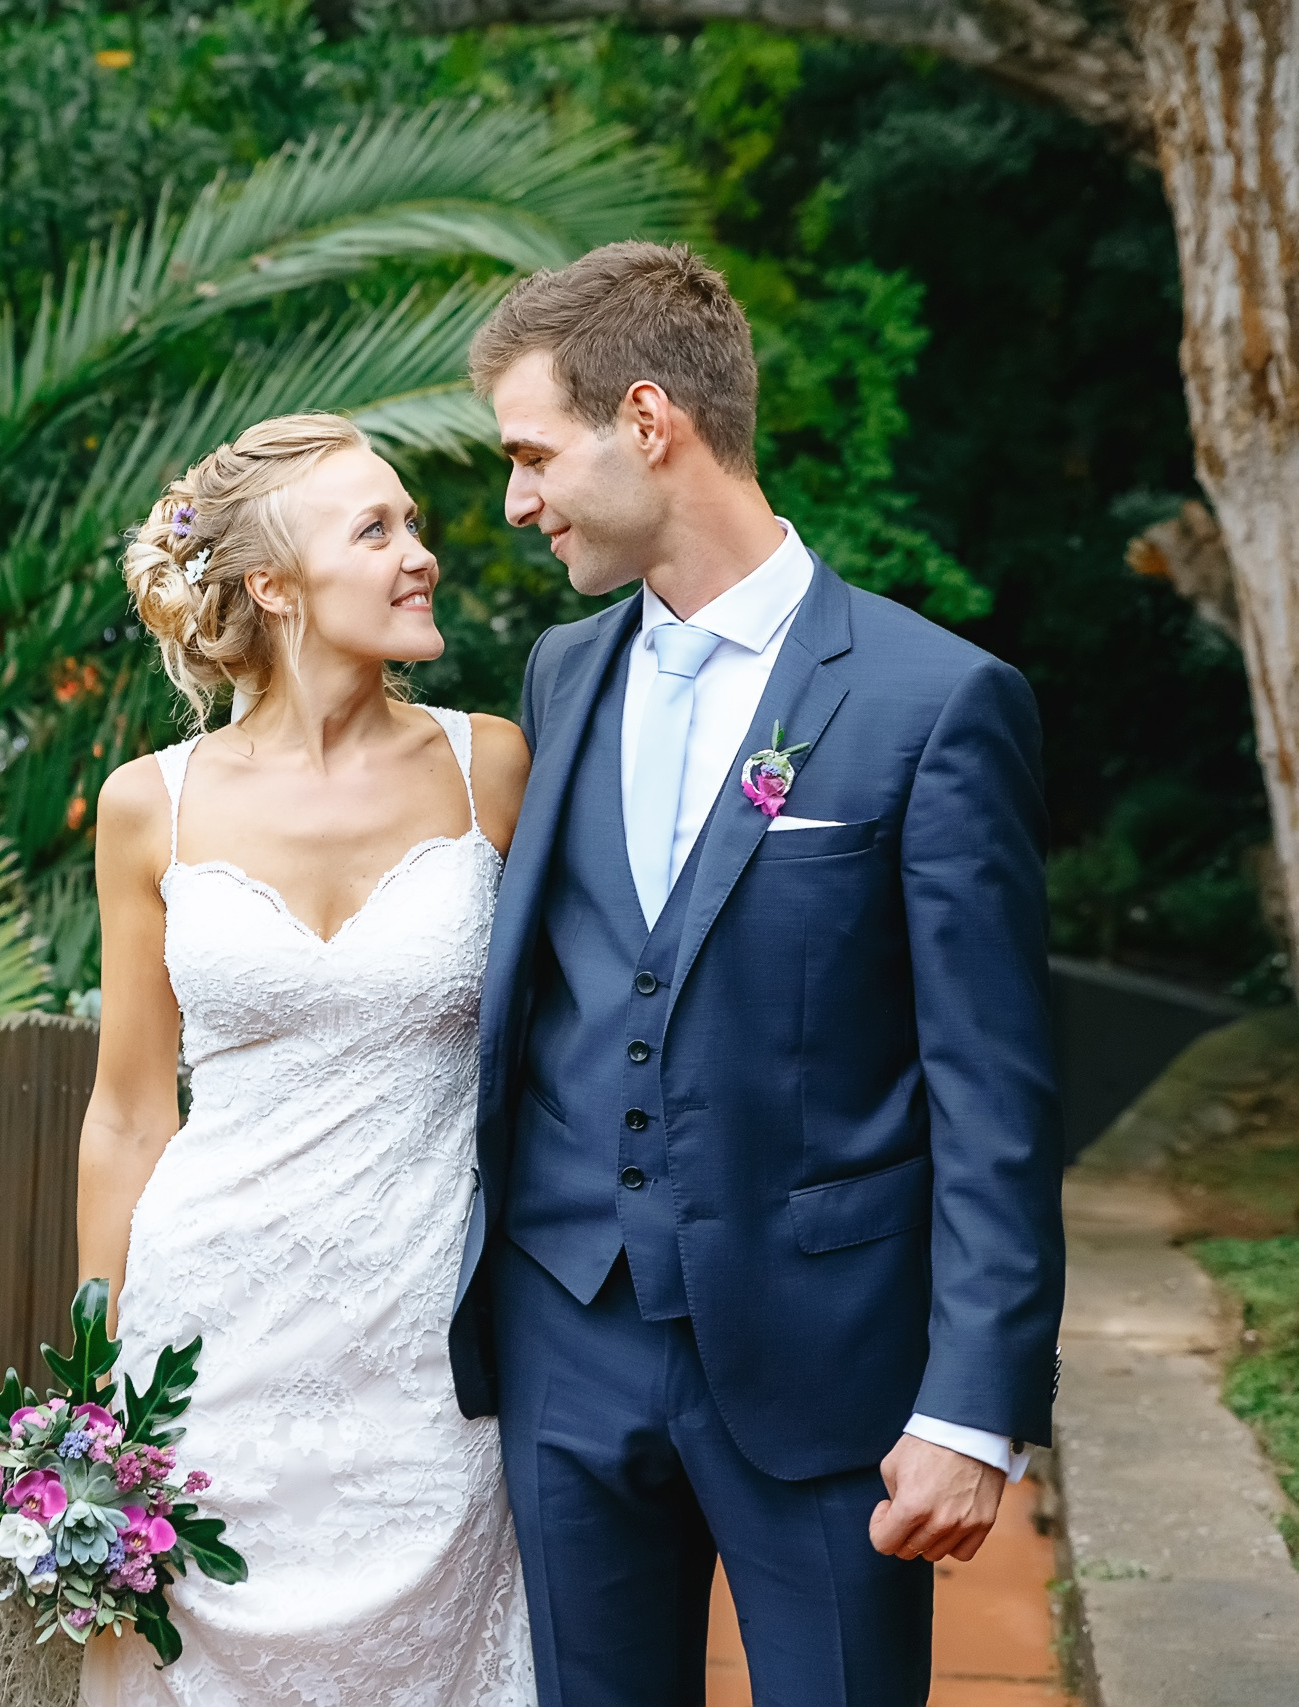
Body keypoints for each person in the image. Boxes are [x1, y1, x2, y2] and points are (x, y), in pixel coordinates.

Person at [454, 242, 1065, 1704]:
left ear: (649, 423)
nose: (516, 500)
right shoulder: (560, 673)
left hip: (824, 1367)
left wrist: (972, 1409)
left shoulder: (936, 702)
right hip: (567, 1331)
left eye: (534, 454)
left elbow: (994, 1092)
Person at [75, 412, 536, 1704]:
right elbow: (125, 1115)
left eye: (414, 523)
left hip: (430, 1361)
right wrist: (99, 1394)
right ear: (273, 586)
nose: (420, 554)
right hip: (211, 1342)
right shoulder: (145, 806)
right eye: (375, 529)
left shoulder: (490, 767)